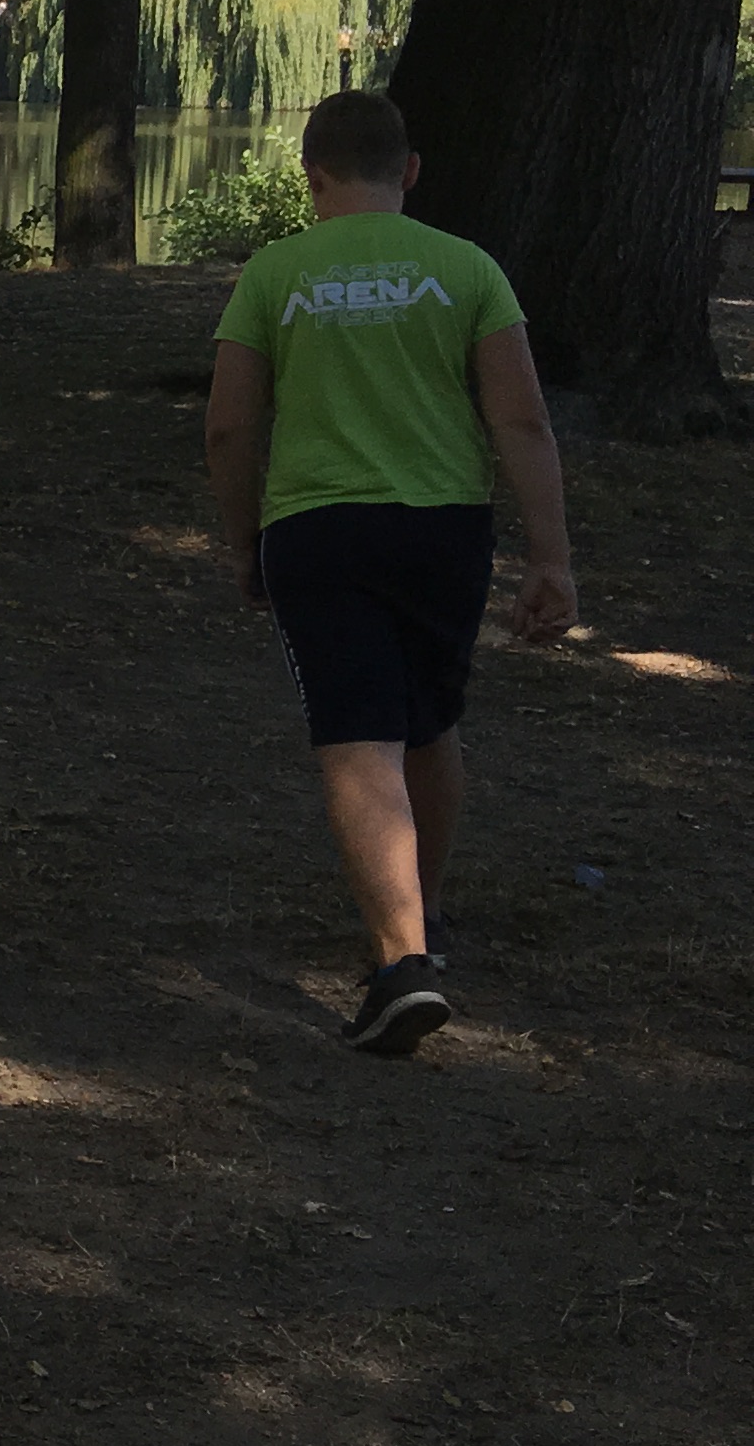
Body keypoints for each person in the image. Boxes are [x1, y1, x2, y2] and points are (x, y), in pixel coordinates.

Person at [205, 90, 575, 1055]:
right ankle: (426, 916)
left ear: (311, 176)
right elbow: (522, 419)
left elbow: (230, 426)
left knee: (356, 737)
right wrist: (550, 557)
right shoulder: (467, 268)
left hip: (318, 529)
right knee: (428, 721)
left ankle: (401, 964)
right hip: (444, 530)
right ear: (409, 170)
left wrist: (243, 540)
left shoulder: (273, 273)